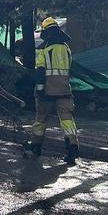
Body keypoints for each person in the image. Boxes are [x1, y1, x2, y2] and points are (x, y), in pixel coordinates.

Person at [28, 16, 80, 165]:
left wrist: (39, 90)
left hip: (47, 92)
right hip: (64, 90)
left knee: (41, 119)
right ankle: (72, 146)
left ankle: (36, 146)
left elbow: (40, 72)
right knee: (67, 120)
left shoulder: (44, 49)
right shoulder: (66, 49)